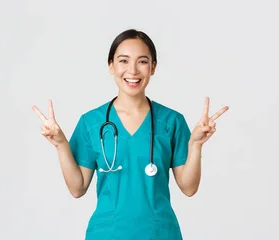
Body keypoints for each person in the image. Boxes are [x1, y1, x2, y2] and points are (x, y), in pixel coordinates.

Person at [32, 29, 228, 240]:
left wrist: (196, 145)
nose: (132, 70)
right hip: (107, 234)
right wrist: (61, 145)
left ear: (153, 67)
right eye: (123, 61)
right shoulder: (92, 122)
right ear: (111, 66)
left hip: (160, 233)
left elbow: (189, 188)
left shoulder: (172, 122)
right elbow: (77, 188)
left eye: (142, 62)